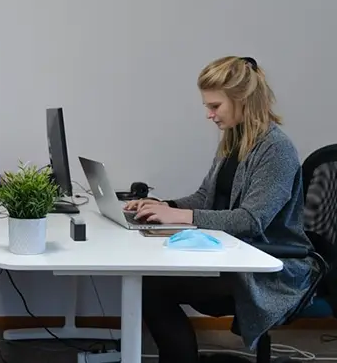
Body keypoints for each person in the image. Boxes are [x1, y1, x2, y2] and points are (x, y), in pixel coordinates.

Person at [124, 56, 314, 363]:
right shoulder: (234, 139)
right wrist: (164, 206)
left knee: (155, 287)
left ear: (242, 101)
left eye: (215, 106)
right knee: (153, 278)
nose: (209, 115)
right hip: (237, 253)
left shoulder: (276, 149)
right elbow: (205, 197)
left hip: (268, 267)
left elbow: (251, 220)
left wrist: (182, 217)